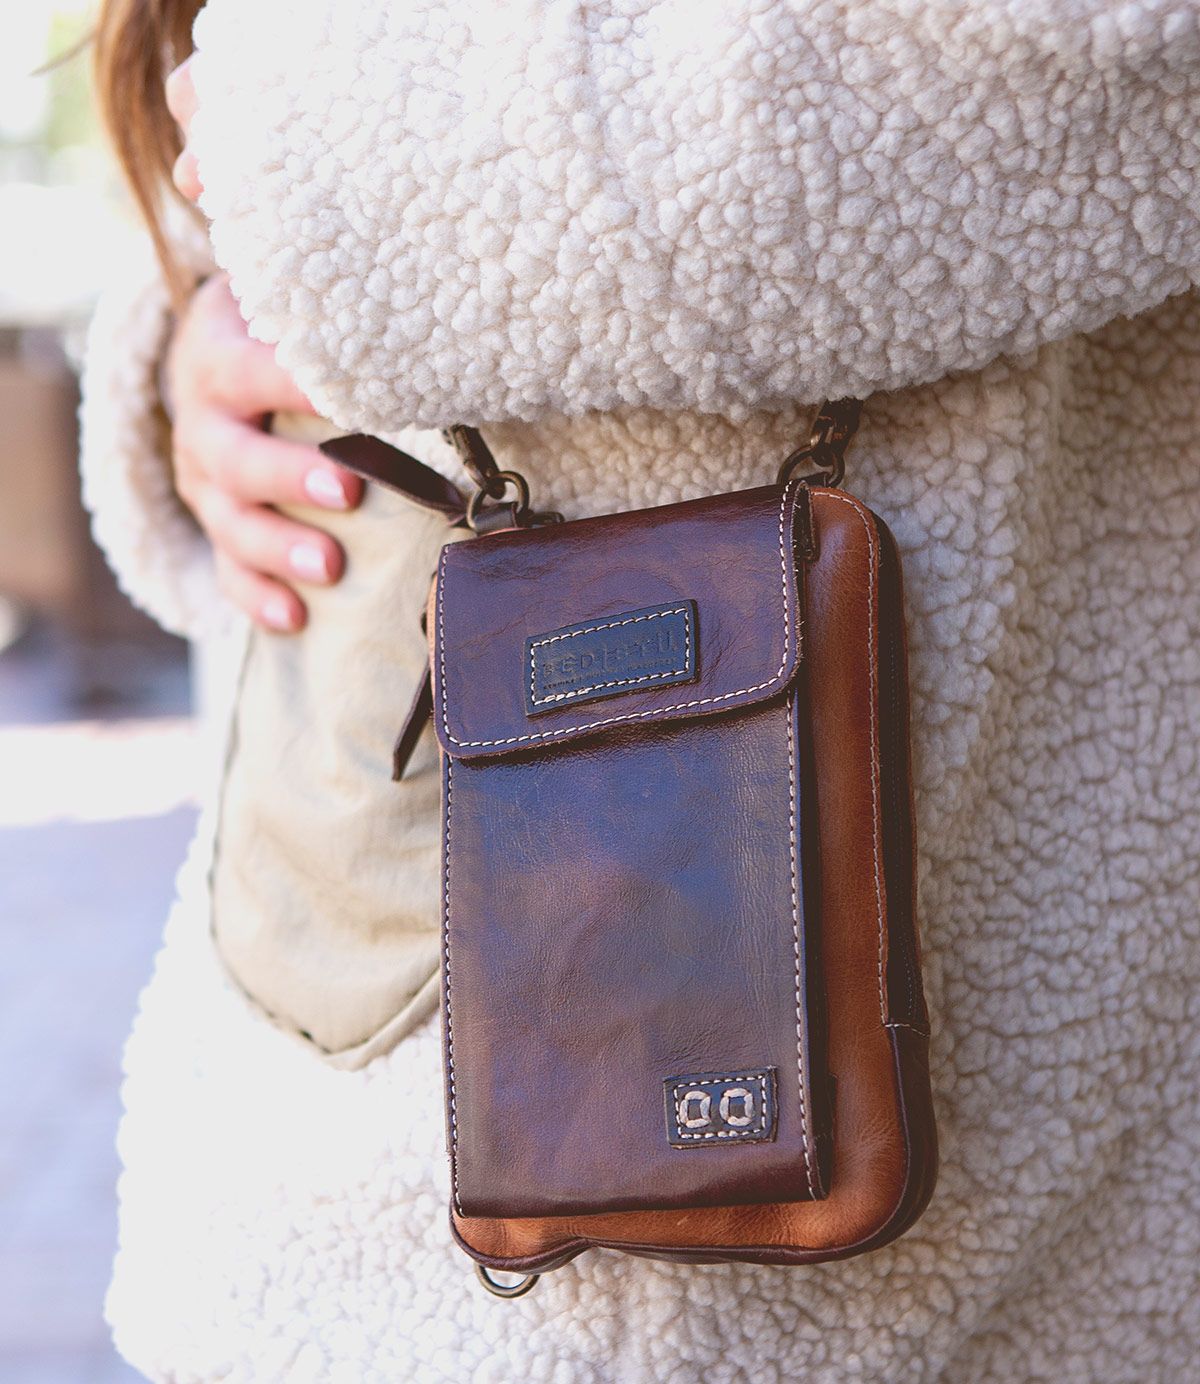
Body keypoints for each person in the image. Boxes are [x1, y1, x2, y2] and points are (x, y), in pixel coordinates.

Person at [82, 1, 1200, 1379]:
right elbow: (238, 97)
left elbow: (1096, 58)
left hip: (966, 1217)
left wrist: (320, 173)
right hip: (324, 1123)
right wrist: (201, 317)